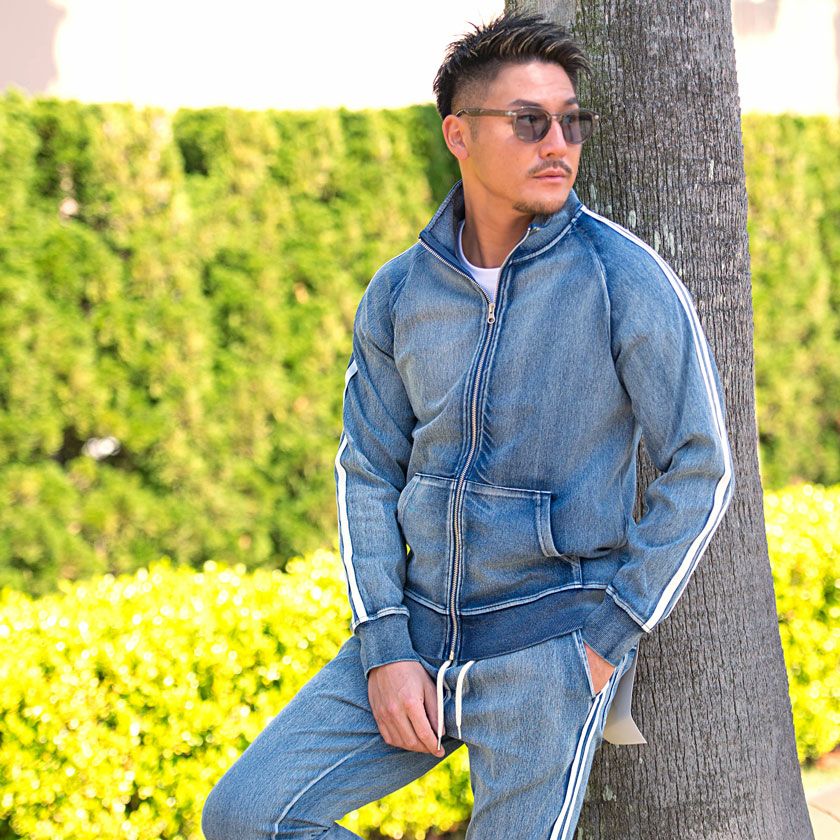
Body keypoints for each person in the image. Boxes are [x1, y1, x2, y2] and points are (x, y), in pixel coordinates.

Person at [202, 11, 735, 839]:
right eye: (528, 121)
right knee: (246, 814)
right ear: (459, 133)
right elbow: (368, 469)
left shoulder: (623, 279)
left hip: (547, 651)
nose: (557, 143)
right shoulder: (400, 293)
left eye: (570, 121)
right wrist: (385, 645)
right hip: (414, 638)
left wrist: (604, 640)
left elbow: (702, 466)